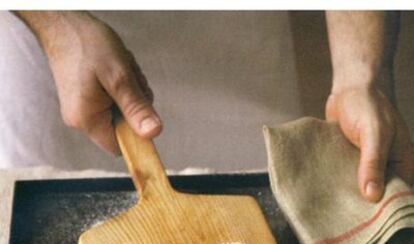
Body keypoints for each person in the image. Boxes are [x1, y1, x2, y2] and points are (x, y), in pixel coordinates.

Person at [6, 10, 414, 202]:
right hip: (52, 50)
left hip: (230, 34)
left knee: (266, 195)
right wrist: (56, 26)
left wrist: (362, 75)